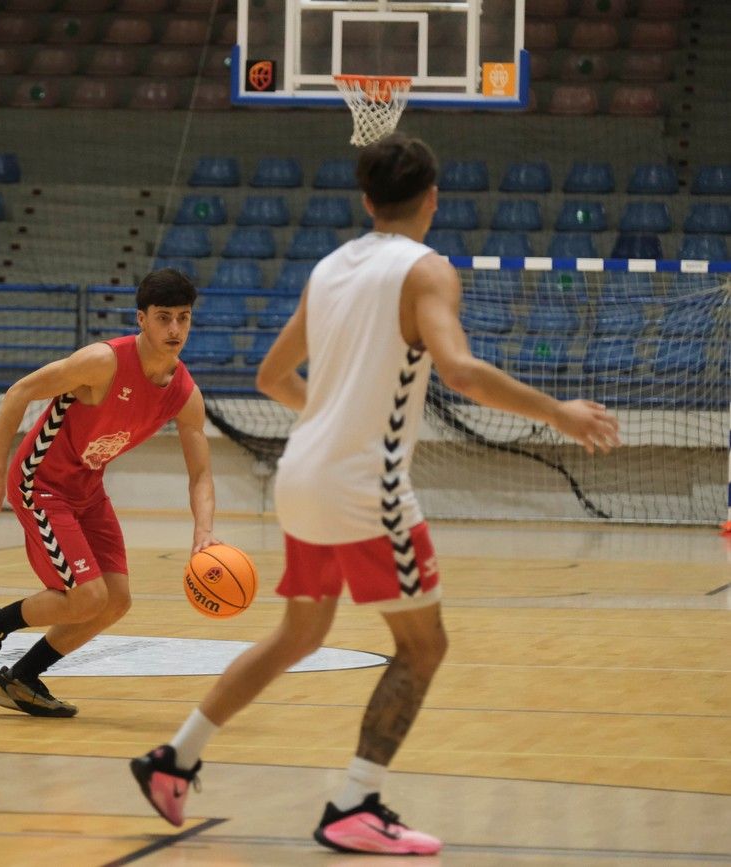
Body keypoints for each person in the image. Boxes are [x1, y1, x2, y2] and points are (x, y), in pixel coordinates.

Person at [129, 134, 621, 855]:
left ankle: (175, 758)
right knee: (424, 647)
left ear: (366, 200)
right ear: (432, 199)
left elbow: (271, 375)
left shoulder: (330, 267)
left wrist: (330, 419)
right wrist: (559, 412)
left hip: (303, 475)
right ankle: (353, 802)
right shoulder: (426, 272)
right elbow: (460, 371)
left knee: (300, 633)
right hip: (366, 486)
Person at [0, 268, 219, 717]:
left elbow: (201, 475)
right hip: (40, 482)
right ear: (141, 319)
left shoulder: (183, 392)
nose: (175, 329)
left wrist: (204, 534)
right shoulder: (103, 362)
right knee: (88, 598)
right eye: (163, 318)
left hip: (87, 487)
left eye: (183, 318)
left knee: (116, 601)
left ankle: (21, 678)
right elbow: (18, 393)